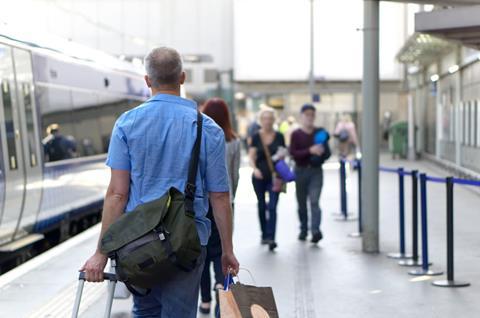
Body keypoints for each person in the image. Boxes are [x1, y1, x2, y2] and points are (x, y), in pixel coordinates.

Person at [80, 47, 239, 318]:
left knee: (145, 311)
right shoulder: (208, 128)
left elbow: (117, 194)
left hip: (137, 242)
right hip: (188, 241)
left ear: (147, 80)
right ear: (183, 78)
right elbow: (220, 197)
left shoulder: (127, 124)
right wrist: (227, 251)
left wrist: (100, 253)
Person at [199, 97, 241, 315]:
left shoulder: (199, 136)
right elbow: (234, 175)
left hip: (201, 203)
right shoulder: (233, 141)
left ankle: (205, 301)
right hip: (225, 202)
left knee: (202, 254)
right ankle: (220, 295)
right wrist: (230, 197)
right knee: (223, 251)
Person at [289, 104, 331, 243]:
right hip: (300, 171)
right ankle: (303, 229)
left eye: (312, 115)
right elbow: (293, 153)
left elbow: (328, 153)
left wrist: (321, 152)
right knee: (301, 203)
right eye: (306, 114)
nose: (309, 117)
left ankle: (315, 230)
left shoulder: (320, 132)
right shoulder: (296, 134)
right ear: (301, 116)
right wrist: (309, 151)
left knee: (314, 201)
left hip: (315, 171)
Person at [248, 107, 286, 251]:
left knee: (273, 206)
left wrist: (281, 155)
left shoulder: (280, 136)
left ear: (274, 120)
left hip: (276, 176)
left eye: (270, 118)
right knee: (262, 205)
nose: (267, 121)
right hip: (259, 177)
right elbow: (251, 156)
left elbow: (284, 153)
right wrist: (255, 169)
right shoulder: (256, 136)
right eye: (265, 118)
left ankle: (271, 237)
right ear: (260, 121)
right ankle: (264, 234)